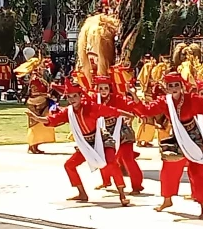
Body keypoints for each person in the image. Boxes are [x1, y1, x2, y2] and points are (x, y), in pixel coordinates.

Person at [130, 72, 203, 219]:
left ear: (182, 86)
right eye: (170, 86)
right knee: (168, 170)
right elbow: (147, 110)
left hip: (195, 139)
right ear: (166, 88)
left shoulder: (192, 99)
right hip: (178, 138)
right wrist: (135, 98)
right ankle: (167, 200)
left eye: (176, 85)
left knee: (196, 173)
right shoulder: (165, 101)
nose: (174, 88)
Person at [25, 78, 134, 207]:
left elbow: (110, 110)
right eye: (69, 97)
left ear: (80, 96)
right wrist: (37, 118)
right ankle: (82, 193)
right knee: (69, 165)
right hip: (85, 144)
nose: (72, 100)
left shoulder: (91, 107)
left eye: (74, 96)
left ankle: (122, 195)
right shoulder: (69, 112)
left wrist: (128, 114)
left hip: (101, 141)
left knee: (111, 163)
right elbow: (53, 120)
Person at [91, 76, 144, 194]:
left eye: (106, 88)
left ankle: (137, 186)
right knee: (102, 156)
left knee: (127, 159)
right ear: (97, 89)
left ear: (110, 89)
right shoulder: (93, 99)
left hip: (122, 132)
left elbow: (133, 105)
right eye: (101, 88)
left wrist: (132, 93)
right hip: (104, 133)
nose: (103, 91)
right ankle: (106, 181)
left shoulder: (117, 99)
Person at [25, 63, 56, 154]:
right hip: (36, 104)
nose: (43, 69)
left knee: (41, 125)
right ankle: (32, 146)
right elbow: (34, 93)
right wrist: (46, 95)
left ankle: (36, 145)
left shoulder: (41, 79)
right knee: (35, 125)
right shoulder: (35, 79)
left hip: (43, 102)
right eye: (42, 68)